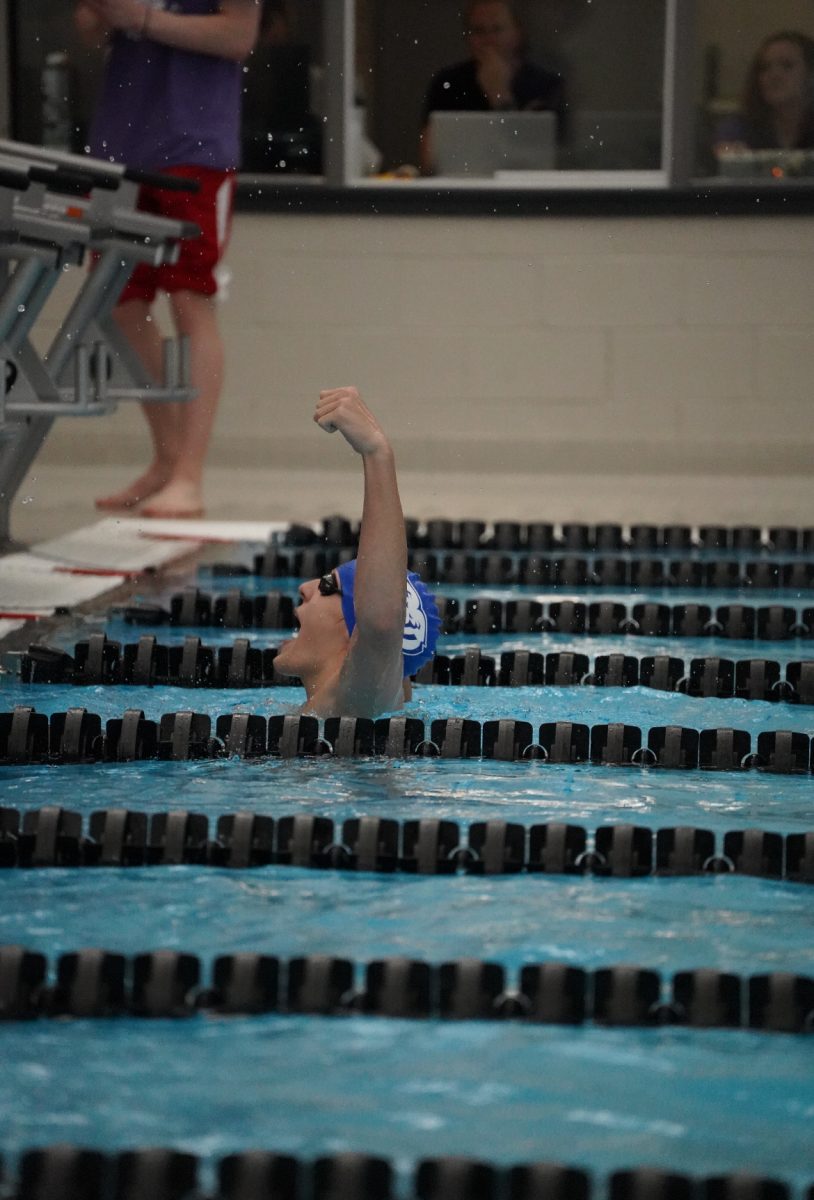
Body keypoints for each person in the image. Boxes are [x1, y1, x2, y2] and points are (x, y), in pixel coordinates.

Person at [73, 0, 261, 518]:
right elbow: (90, 29)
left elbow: (238, 35)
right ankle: (168, 458)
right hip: (122, 144)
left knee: (190, 300)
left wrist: (147, 20)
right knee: (118, 302)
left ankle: (189, 475)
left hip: (195, 144)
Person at [273, 387, 440, 718]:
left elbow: (380, 625)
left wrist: (376, 452)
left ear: (353, 632)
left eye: (326, 587)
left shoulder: (356, 702)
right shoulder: (322, 710)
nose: (305, 588)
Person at [420, 0, 566, 174]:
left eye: (497, 29)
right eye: (479, 31)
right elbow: (429, 162)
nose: (488, 40)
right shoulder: (447, 83)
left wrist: (502, 97)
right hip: (462, 189)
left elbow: (545, 160)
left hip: (524, 194)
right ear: (468, 38)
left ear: (517, 33)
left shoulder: (546, 85)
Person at [714, 31, 814, 154]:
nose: (774, 75)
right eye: (765, 67)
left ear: (811, 75)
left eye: (787, 65)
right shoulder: (738, 129)